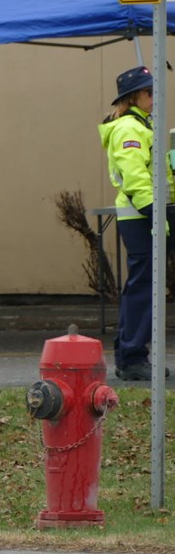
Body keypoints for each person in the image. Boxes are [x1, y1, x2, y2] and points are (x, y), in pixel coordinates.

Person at [100, 65, 169, 381]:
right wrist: (156, 211)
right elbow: (136, 178)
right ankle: (131, 357)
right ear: (133, 97)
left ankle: (129, 354)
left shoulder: (142, 126)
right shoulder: (130, 129)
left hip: (145, 215)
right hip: (142, 216)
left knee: (140, 287)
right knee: (143, 289)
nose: (154, 98)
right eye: (149, 93)